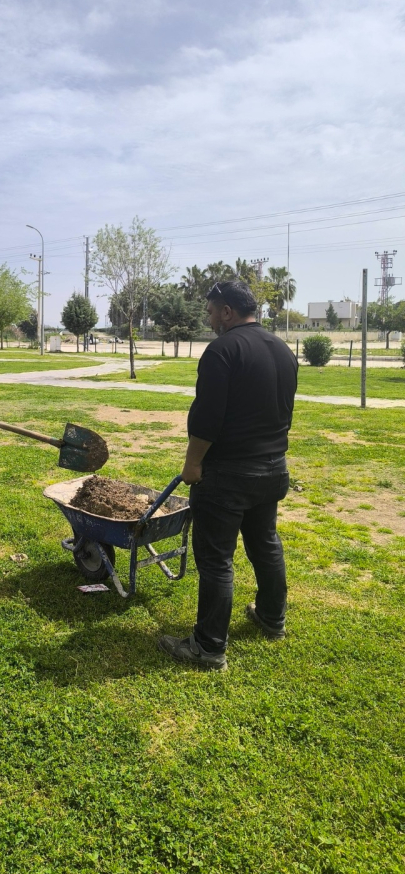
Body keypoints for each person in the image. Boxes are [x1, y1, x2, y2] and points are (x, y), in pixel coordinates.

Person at [158, 281, 298, 671]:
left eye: (210, 311)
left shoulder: (223, 350)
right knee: (265, 545)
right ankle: (272, 617)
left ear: (227, 311)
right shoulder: (282, 349)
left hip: (229, 475)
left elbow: (208, 417)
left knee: (217, 559)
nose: (208, 319)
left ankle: (207, 647)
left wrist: (193, 463)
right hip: (272, 468)